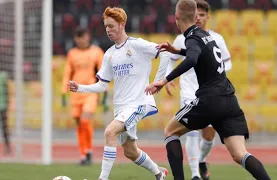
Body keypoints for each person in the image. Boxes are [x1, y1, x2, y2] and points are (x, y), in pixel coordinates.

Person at [145, 0, 271, 180]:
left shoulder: (192, 37)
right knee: (239, 153)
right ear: (196, 17)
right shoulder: (206, 35)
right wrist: (179, 50)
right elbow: (198, 53)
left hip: (210, 100)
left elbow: (192, 60)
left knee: (170, 132)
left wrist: (164, 80)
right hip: (228, 100)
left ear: (176, 18)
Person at [68, 7, 170, 180]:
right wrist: (80, 87)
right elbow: (101, 86)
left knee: (109, 132)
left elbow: (165, 52)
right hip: (121, 108)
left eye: (112, 26)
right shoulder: (109, 55)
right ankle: (159, 174)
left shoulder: (136, 44)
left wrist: (159, 81)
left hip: (138, 103)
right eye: (106, 26)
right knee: (130, 152)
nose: (108, 30)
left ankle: (102, 178)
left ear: (122, 25)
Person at [163, 0, 232, 179]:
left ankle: (201, 159)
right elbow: (172, 57)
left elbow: (227, 61)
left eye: (202, 15)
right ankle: (194, 174)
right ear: (192, 16)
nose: (199, 18)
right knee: (191, 132)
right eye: (197, 15)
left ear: (207, 17)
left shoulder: (216, 38)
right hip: (189, 90)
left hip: (209, 90)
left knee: (208, 136)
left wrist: (219, 70)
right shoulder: (182, 37)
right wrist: (169, 78)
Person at [62, 27, 105, 165]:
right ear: (76, 39)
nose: (82, 40)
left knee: (85, 120)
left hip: (90, 91)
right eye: (79, 37)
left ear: (88, 37)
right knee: (79, 124)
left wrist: (105, 93)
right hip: (75, 93)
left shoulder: (96, 52)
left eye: (84, 37)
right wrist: (64, 92)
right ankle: (83, 153)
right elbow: (67, 73)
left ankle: (89, 151)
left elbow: (104, 73)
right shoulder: (72, 54)